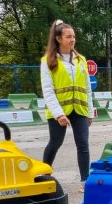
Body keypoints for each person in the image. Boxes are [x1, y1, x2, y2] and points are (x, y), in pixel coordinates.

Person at [40, 19, 95, 192]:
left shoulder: (81, 60)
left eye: (74, 37)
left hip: (79, 109)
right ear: (58, 39)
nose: (72, 40)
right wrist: (58, 114)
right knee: (55, 142)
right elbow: (48, 91)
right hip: (59, 111)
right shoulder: (47, 61)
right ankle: (43, 175)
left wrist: (90, 111)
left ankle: (85, 181)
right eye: (68, 37)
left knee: (83, 145)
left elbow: (87, 88)